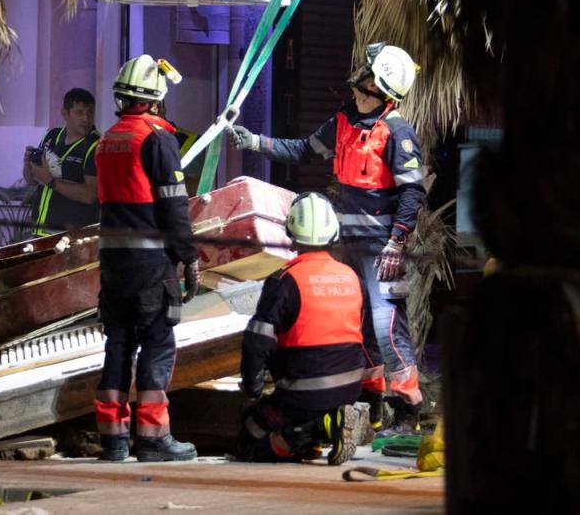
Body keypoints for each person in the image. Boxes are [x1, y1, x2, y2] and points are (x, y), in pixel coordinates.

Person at [228, 43, 427, 434]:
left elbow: (412, 193)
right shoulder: (343, 122)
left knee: (388, 329)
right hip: (347, 244)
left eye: (367, 71)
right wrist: (254, 142)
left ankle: (408, 406)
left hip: (381, 248)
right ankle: (369, 402)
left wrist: (397, 243)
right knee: (361, 326)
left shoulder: (398, 133)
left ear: (379, 88)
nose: (358, 73)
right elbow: (304, 150)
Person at [93, 55, 201, 462]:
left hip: (112, 266)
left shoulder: (107, 140)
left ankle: (114, 440)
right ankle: (154, 439)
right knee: (157, 343)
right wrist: (188, 258)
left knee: (118, 345)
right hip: (150, 266)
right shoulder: (157, 139)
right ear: (155, 99)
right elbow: (173, 207)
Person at [238, 192, 386, 465]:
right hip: (349, 392)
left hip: (299, 394)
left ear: (291, 230)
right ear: (333, 232)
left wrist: (253, 387)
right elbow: (369, 343)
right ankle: (328, 425)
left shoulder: (283, 280)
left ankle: (307, 432)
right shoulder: (352, 277)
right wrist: (374, 396)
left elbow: (256, 341)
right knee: (303, 409)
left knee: (250, 437)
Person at [24, 88, 100, 236]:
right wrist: (28, 165)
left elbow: (90, 195)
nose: (86, 118)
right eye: (80, 112)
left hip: (71, 238)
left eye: (90, 112)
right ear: (65, 113)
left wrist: (50, 180)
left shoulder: (96, 145)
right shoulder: (51, 136)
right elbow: (32, 180)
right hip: (39, 233)